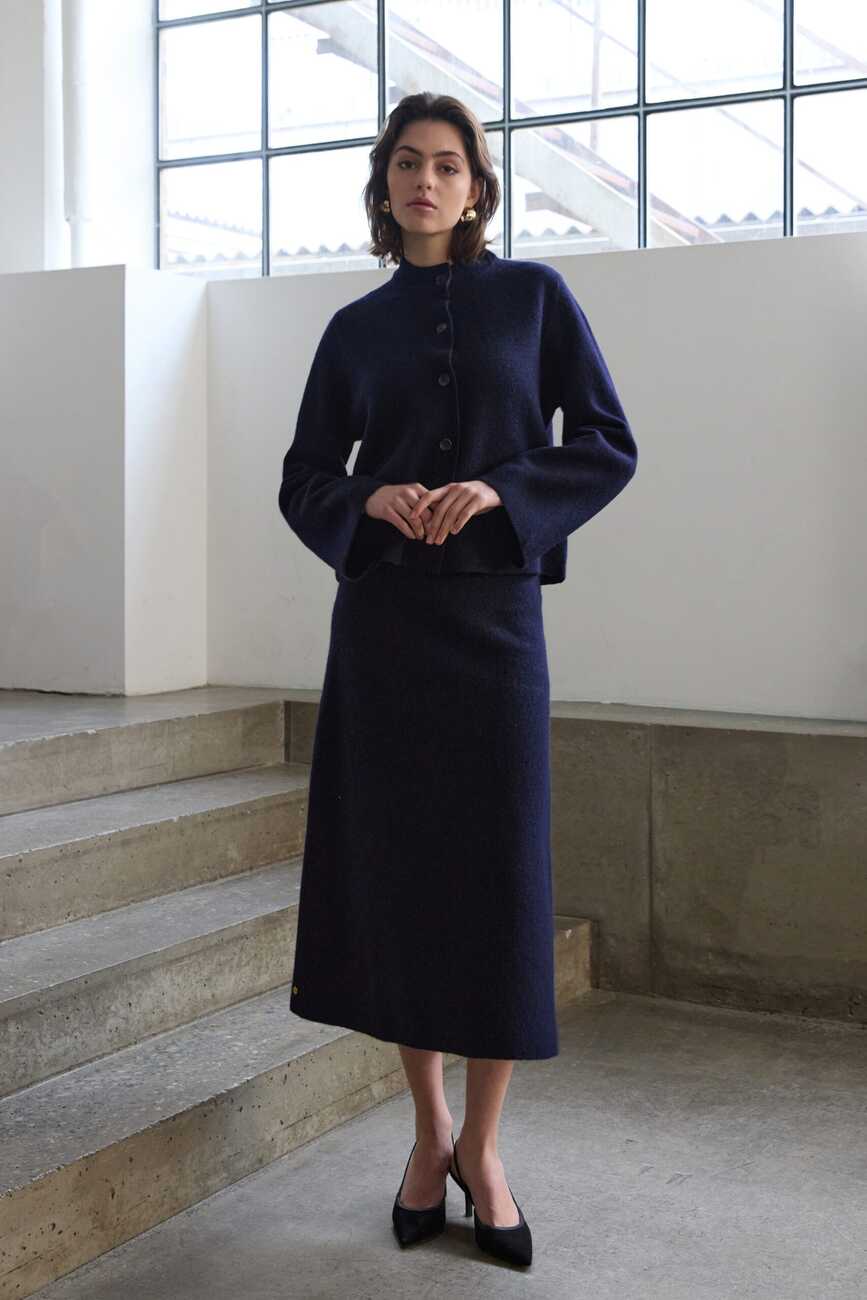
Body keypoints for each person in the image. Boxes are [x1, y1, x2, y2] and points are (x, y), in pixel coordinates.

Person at [278, 91, 638, 1267]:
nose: (425, 180)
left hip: (495, 629)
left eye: (446, 164)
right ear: (383, 185)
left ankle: (484, 1150)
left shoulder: (534, 298)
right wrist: (367, 499)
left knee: (495, 885)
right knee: (404, 883)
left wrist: (503, 491)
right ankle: (428, 1133)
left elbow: (606, 442)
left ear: (478, 187)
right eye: (406, 163)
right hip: (385, 631)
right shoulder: (353, 329)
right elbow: (302, 479)